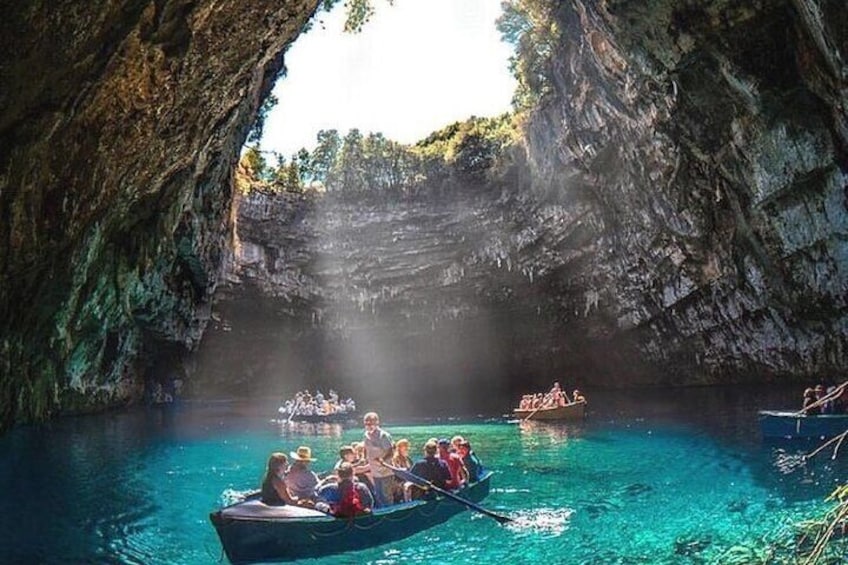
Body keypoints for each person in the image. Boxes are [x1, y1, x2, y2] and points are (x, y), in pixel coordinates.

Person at [363, 411, 394, 507]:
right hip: (375, 471)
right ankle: (381, 512)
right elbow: (366, 447)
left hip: (385, 472)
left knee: (386, 495)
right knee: (378, 495)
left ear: (377, 423)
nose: (369, 426)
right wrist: (364, 458)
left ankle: (390, 513)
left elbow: (391, 451)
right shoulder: (366, 435)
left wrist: (383, 460)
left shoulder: (383, 436)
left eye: (371, 423)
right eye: (366, 423)